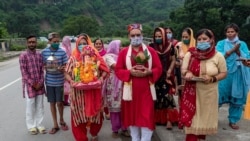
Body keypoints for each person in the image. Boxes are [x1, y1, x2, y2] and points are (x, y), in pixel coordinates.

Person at [115, 23, 162, 141]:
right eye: (133, 35)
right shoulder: (124, 52)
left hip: (146, 91)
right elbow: (118, 70)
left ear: (142, 35)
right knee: (132, 118)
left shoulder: (150, 51)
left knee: (147, 117)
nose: (136, 37)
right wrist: (129, 72)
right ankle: (135, 139)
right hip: (130, 92)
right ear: (129, 36)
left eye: (138, 35)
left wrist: (149, 72)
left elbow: (159, 68)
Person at [180, 29, 227, 141]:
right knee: (193, 121)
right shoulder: (190, 54)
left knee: (204, 121)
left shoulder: (218, 56)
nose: (202, 41)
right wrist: (188, 73)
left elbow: (224, 73)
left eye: (205, 39)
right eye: (199, 39)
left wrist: (212, 79)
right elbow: (183, 70)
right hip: (192, 93)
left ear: (211, 40)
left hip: (209, 94)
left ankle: (201, 138)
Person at [64, 35, 109, 141]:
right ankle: (81, 137)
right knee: (78, 116)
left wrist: (101, 78)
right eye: (80, 44)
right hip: (78, 93)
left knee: (96, 115)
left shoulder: (96, 57)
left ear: (89, 45)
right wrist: (71, 81)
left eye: (85, 43)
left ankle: (94, 132)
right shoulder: (73, 58)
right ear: (76, 45)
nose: (82, 46)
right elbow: (66, 72)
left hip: (94, 92)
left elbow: (105, 70)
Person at [216, 23, 250, 130]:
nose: (230, 34)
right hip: (223, 74)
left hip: (238, 74)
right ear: (225, 33)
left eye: (232, 31)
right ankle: (212, 119)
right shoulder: (221, 43)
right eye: (228, 32)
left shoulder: (242, 44)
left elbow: (247, 58)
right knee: (217, 97)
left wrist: (238, 50)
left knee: (237, 98)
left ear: (237, 32)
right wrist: (232, 50)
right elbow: (219, 57)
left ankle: (233, 120)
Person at [149, 27, 178, 130]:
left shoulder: (171, 47)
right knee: (156, 97)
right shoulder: (151, 47)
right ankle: (158, 119)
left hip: (167, 75)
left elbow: (174, 60)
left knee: (168, 96)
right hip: (155, 75)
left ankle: (169, 120)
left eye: (160, 36)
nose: (158, 38)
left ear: (164, 36)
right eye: (156, 36)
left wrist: (170, 70)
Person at [41, 32, 69, 134]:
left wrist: (63, 68)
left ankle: (62, 120)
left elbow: (66, 65)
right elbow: (42, 64)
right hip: (49, 82)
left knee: (60, 102)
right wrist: (46, 67)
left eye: (58, 41)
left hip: (60, 81)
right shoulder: (44, 52)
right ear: (49, 42)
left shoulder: (62, 52)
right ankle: (55, 124)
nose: (56, 43)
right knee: (52, 103)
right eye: (54, 42)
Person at [19, 35, 46, 135]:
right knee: (30, 105)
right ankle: (31, 126)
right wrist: (33, 84)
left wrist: (40, 82)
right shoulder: (23, 56)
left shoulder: (39, 55)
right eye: (30, 42)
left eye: (33, 42)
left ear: (36, 43)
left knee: (40, 105)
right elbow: (24, 72)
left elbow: (42, 70)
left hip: (39, 84)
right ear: (27, 43)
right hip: (30, 85)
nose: (31, 44)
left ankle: (39, 125)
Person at [102, 40, 130, 138]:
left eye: (122, 46)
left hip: (123, 83)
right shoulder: (108, 57)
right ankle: (115, 129)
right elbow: (116, 67)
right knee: (114, 108)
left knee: (124, 107)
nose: (121, 48)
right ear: (114, 47)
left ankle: (124, 128)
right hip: (112, 85)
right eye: (119, 46)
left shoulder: (122, 56)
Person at [93, 38, 110, 120]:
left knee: (105, 96)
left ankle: (106, 112)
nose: (98, 45)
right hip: (94, 79)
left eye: (100, 44)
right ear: (94, 45)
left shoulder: (106, 54)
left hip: (105, 78)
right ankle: (99, 114)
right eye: (97, 44)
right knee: (97, 97)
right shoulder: (91, 54)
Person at [61, 36, 72, 106]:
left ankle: (64, 100)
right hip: (66, 68)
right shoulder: (65, 49)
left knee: (65, 85)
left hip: (65, 68)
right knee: (66, 85)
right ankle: (65, 100)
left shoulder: (63, 48)